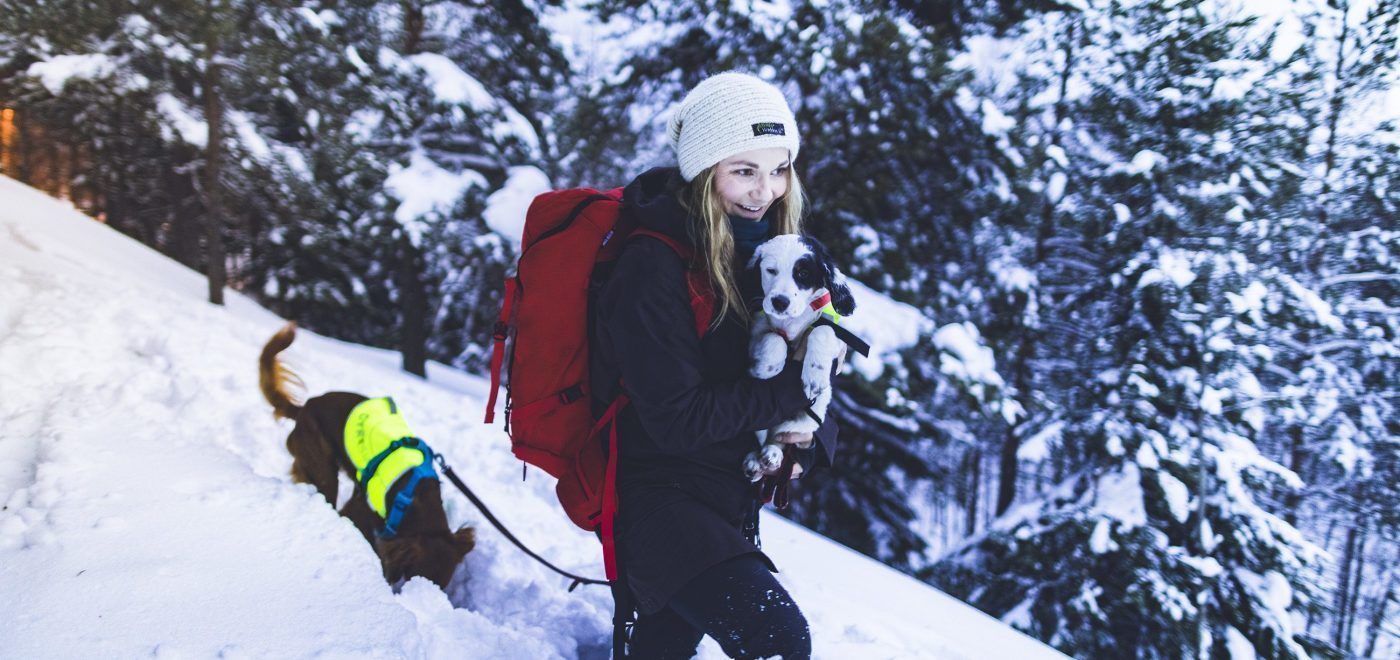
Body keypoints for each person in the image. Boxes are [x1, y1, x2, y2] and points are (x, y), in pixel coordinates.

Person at [590, 71, 839, 659]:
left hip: (727, 498)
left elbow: (816, 362)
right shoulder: (651, 266)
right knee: (777, 637)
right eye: (744, 170)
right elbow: (676, 419)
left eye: (778, 169)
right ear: (704, 170)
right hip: (659, 502)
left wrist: (807, 439)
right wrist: (790, 395)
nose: (765, 190)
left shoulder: (772, 256)